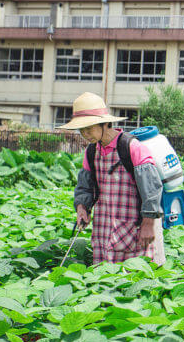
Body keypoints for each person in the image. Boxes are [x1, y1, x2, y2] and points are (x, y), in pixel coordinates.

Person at [57, 92, 166, 264]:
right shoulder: (91, 151)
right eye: (82, 129)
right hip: (104, 226)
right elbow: (85, 186)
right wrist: (82, 208)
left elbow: (152, 190)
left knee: (134, 277)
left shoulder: (132, 148)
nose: (85, 134)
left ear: (105, 123)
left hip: (135, 227)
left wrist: (148, 224)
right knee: (104, 277)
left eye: (89, 128)